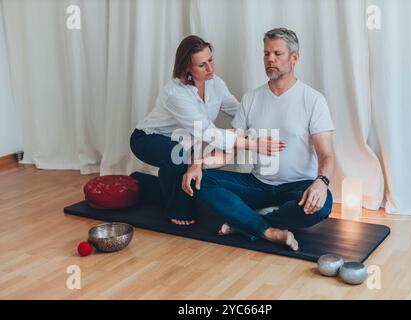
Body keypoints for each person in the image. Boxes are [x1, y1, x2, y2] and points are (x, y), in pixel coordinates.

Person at [182, 28, 335, 251]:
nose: (270, 59)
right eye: (266, 54)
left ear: (294, 57)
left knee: (323, 205)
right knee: (201, 180)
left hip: (297, 187)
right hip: (258, 185)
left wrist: (321, 184)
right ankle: (268, 231)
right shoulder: (251, 99)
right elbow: (228, 151)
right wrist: (197, 164)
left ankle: (246, 222)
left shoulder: (313, 100)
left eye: (277, 53)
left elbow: (326, 155)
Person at [130, 35, 285, 226]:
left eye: (210, 60)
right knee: (181, 156)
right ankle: (176, 211)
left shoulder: (216, 83)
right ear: (187, 67)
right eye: (202, 65)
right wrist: (252, 144)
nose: (210, 68)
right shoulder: (175, 94)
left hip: (182, 142)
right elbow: (208, 132)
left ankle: (142, 183)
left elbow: (238, 112)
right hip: (148, 139)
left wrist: (263, 125)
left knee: (190, 168)